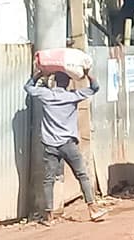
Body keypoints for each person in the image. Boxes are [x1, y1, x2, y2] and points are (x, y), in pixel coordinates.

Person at [24, 68, 108, 224]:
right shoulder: (72, 96)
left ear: (55, 82)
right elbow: (95, 88)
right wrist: (88, 73)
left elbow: (28, 88)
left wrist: (38, 74)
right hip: (68, 144)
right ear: (68, 82)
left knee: (48, 180)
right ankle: (92, 209)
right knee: (82, 175)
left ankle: (48, 216)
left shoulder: (45, 95)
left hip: (50, 144)